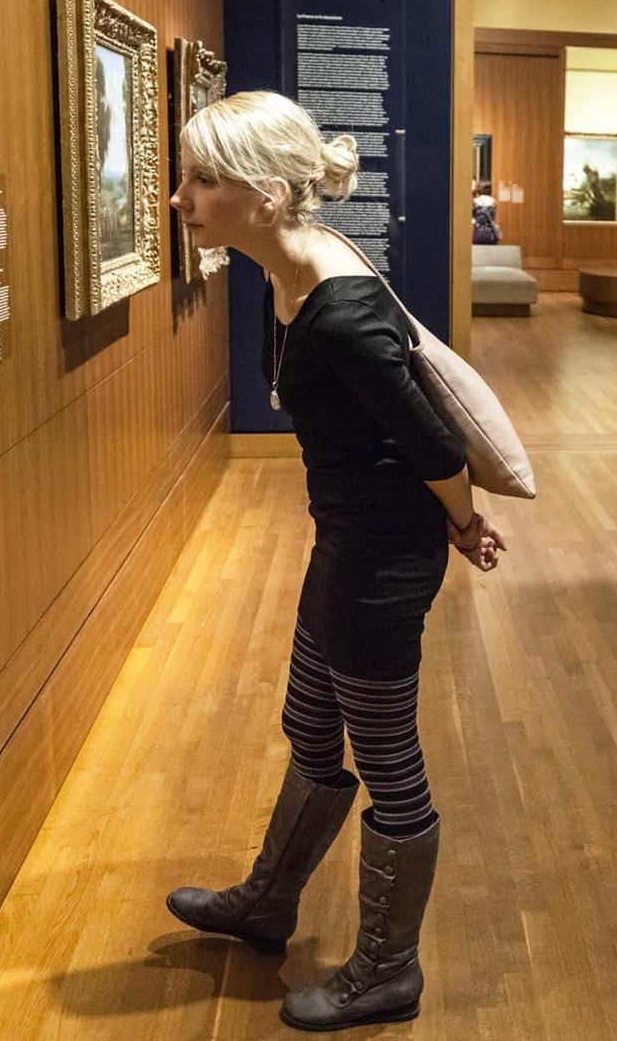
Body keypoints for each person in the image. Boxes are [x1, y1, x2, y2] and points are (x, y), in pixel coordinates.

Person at [166, 90, 506, 1032]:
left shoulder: (339, 307)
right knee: (307, 723)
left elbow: (432, 441)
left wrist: (464, 522)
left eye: (201, 180)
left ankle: (388, 970)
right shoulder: (290, 276)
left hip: (380, 562)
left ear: (268, 194)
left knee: (389, 758)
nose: (180, 198)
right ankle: (269, 903)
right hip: (344, 541)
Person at [472, 179, 501, 244]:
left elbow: (473, 217)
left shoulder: (475, 201)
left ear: (479, 189)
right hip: (490, 233)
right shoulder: (493, 202)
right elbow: (493, 217)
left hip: (478, 233)